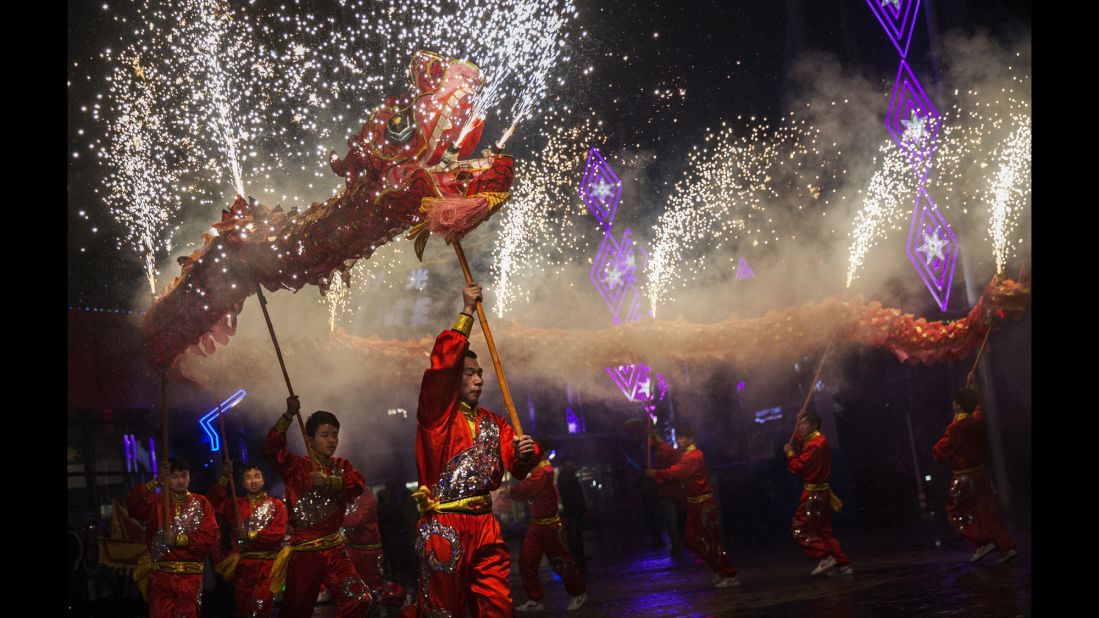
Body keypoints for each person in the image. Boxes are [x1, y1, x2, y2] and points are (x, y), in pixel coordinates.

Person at [408, 281, 539, 616]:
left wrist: (525, 454)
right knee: (445, 609)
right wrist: (466, 312)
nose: (479, 379)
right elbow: (440, 370)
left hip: (485, 524)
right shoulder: (437, 417)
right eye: (469, 374)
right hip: (446, 526)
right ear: (454, 380)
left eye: (480, 373)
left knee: (498, 604)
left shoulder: (495, 422)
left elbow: (516, 466)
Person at [264, 401, 373, 617]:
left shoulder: (342, 466)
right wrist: (287, 416)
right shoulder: (295, 466)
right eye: (325, 435)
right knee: (296, 611)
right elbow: (271, 450)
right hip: (305, 554)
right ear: (310, 440)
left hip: (335, 551)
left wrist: (329, 482)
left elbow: (357, 484)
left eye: (335, 434)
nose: (332, 440)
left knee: (359, 598)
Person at [932, 385, 1017, 564]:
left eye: (956, 402)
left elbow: (941, 450)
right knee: (987, 512)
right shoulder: (977, 420)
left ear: (959, 406)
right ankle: (1006, 546)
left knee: (955, 512)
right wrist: (973, 393)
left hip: (964, 479)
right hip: (982, 475)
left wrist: (940, 451)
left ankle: (983, 541)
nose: (953, 404)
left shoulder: (956, 427)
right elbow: (977, 410)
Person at [647, 425, 739, 588]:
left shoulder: (694, 456)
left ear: (691, 439)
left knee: (711, 541)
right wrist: (657, 440)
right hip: (694, 505)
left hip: (703, 505)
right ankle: (719, 569)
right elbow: (671, 453)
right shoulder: (686, 454)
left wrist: (655, 473)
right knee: (692, 540)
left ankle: (729, 573)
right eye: (679, 438)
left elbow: (676, 473)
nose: (679, 441)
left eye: (682, 438)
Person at [127, 457, 219, 617]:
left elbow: (210, 536)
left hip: (190, 577)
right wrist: (156, 482)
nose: (180, 481)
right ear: (166, 478)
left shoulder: (201, 502)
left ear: (190, 477)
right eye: (174, 476)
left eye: (184, 475)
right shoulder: (156, 502)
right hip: (160, 577)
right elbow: (133, 504)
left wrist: (179, 540)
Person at [509, 441, 588, 612]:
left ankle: (578, 592)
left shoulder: (543, 472)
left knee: (561, 562)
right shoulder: (540, 471)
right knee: (526, 562)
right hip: (536, 525)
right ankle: (535, 599)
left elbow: (524, 489)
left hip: (550, 526)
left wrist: (505, 492)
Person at [207, 462, 288, 618]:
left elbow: (278, 533)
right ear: (243, 483)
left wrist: (251, 535)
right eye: (248, 478)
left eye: (257, 476)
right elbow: (211, 502)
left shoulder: (276, 505)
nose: (253, 481)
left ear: (263, 480)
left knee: (259, 607)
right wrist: (224, 477)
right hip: (243, 566)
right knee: (242, 608)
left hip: (267, 566)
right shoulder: (234, 506)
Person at [783, 410, 852, 576]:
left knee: (798, 528)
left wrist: (790, 453)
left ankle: (825, 556)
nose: (800, 427)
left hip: (813, 495)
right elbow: (803, 440)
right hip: (822, 493)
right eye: (800, 424)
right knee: (824, 530)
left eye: (804, 424)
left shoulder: (815, 444)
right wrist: (797, 420)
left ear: (814, 425)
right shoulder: (818, 439)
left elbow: (798, 467)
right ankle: (842, 563)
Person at [344, 487, 406, 607]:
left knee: (374, 586)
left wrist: (335, 520)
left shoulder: (365, 494)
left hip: (369, 551)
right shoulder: (347, 495)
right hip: (353, 549)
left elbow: (358, 519)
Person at [556, 455, 588, 576]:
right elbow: (572, 495)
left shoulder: (566, 476)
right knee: (574, 533)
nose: (572, 466)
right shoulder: (567, 477)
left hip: (573, 509)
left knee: (575, 533)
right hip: (572, 510)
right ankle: (577, 556)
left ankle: (578, 555)